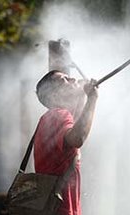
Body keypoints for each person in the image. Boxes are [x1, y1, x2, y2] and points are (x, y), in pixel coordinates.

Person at [34, 70, 98, 215]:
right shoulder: (58, 115)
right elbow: (78, 138)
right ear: (54, 95)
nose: (73, 78)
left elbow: (76, 125)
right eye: (64, 79)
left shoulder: (53, 117)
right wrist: (92, 98)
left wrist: (83, 96)